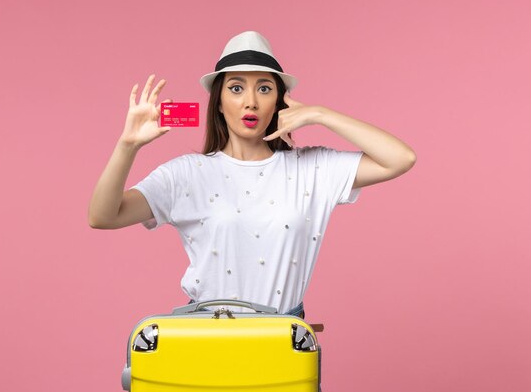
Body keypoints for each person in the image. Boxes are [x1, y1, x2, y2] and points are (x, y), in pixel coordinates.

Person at [88, 31, 416, 316]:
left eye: (263, 89)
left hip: (282, 345)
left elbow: (400, 158)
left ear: (279, 100)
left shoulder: (312, 169)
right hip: (207, 341)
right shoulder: (187, 174)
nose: (250, 102)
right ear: (218, 102)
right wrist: (127, 145)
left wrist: (320, 114)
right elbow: (103, 215)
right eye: (235, 88)